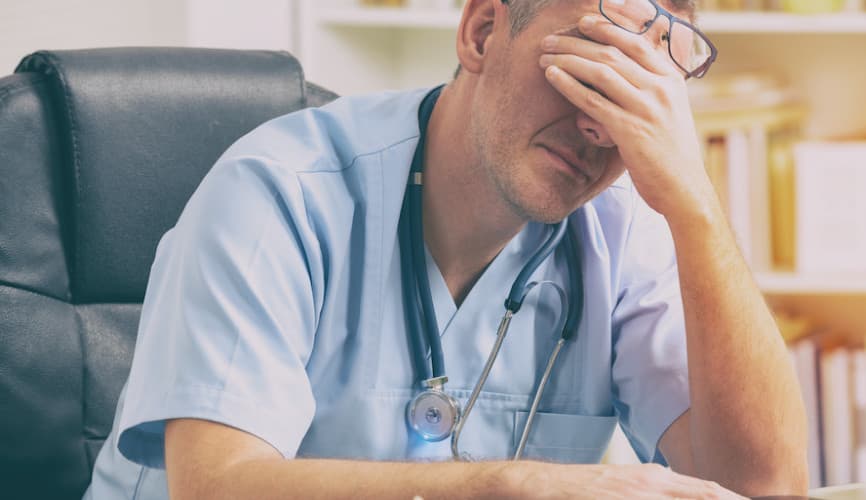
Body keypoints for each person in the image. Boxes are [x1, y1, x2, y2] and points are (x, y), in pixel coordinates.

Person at [83, 0, 809, 498]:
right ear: (483, 31)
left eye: (637, 98)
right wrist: (511, 485)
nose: (600, 129)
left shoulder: (624, 232)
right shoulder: (280, 192)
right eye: (589, 68)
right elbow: (218, 486)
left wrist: (696, 206)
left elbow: (762, 488)